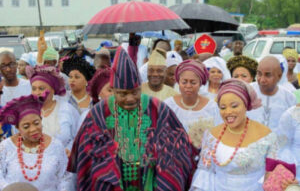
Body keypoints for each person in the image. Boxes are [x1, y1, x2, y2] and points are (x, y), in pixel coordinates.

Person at [68, 47, 194, 191]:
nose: (130, 99)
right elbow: (87, 159)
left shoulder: (159, 109)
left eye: (135, 92)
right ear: (114, 90)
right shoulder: (98, 114)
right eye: (123, 94)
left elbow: (177, 152)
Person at [189, 79, 281, 191]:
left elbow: (272, 173)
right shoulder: (211, 136)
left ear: (246, 105)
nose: (228, 112)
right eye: (223, 108)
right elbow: (205, 172)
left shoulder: (266, 136)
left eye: (234, 106)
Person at [0, 93, 69, 190]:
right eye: (26, 126)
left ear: (41, 120)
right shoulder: (5, 147)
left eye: (36, 123)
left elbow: (64, 179)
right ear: (18, 128)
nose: (33, 129)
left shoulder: (56, 146)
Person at [164, 59, 221, 149]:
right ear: (178, 82)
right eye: (184, 82)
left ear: (200, 84)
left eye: (193, 82)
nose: (188, 86)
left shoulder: (212, 107)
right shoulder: (168, 105)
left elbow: (218, 136)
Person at [26, 65, 79, 151]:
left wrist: (69, 149)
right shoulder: (27, 113)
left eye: (41, 88)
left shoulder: (67, 109)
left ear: (53, 90)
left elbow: (78, 136)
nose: (37, 92)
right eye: (34, 89)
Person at [247, 56, 297, 133]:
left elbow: (295, 127)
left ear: (279, 76)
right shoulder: (246, 91)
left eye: (268, 75)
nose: (262, 80)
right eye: (259, 74)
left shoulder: (289, 97)